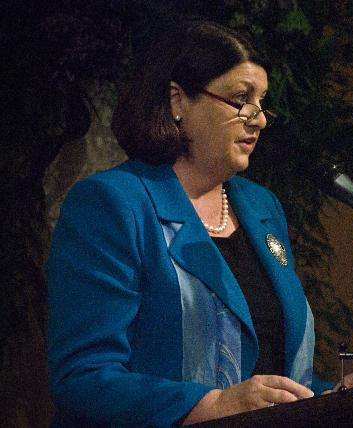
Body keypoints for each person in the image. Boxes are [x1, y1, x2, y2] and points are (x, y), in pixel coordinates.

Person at [46, 20, 336, 426]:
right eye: (240, 99)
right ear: (178, 100)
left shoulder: (261, 207)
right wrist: (213, 406)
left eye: (262, 102)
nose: (259, 119)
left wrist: (335, 397)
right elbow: (85, 377)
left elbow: (269, 369)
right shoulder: (114, 205)